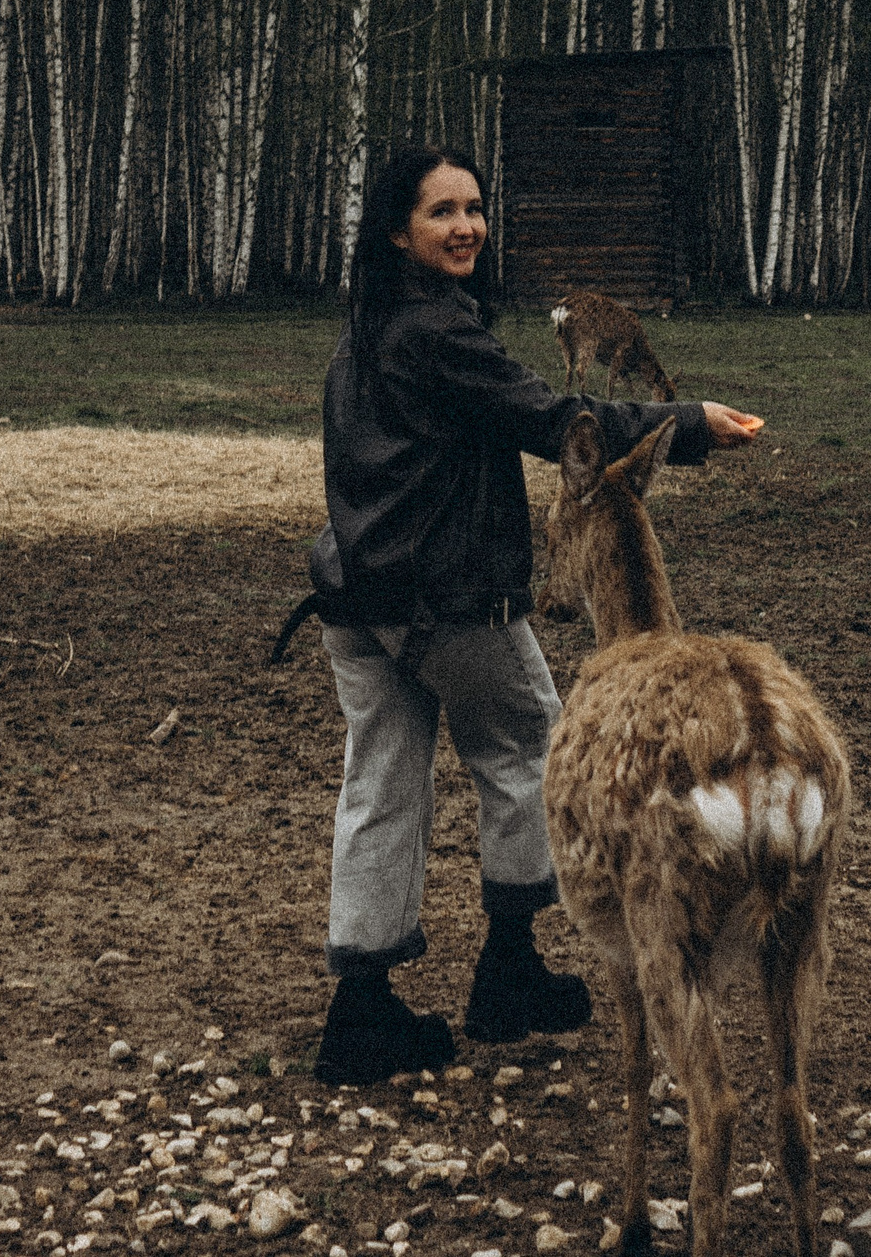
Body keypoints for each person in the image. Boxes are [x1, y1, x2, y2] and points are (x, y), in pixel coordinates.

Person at [307, 144, 763, 1085]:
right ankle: (507, 974)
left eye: (475, 207)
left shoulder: (369, 327)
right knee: (531, 751)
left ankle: (360, 1013)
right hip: (442, 598)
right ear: (400, 231)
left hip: (359, 594)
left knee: (381, 781)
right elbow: (548, 415)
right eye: (442, 212)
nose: (467, 225)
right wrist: (684, 426)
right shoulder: (434, 330)